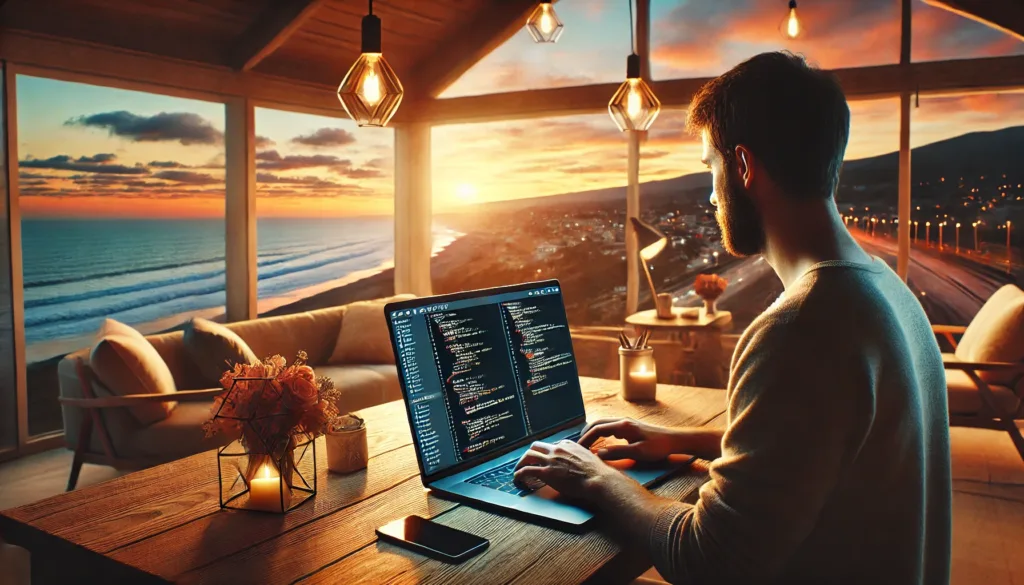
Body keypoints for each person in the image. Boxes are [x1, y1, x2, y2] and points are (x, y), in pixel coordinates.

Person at [513, 52, 951, 584]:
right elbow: (817, 448)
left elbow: (710, 560)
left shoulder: (802, 329)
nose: (711, 195)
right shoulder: (886, 289)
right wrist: (686, 440)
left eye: (710, 168)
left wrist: (597, 478)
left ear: (742, 167)